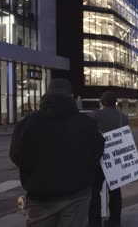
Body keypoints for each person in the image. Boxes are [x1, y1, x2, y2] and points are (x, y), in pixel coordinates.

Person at [9, 78, 105, 227]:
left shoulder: (26, 124)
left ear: (46, 95)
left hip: (39, 196)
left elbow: (16, 155)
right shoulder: (86, 124)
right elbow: (97, 152)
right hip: (76, 193)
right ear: (71, 96)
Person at [88, 91, 129, 227]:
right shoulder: (123, 118)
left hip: (98, 158)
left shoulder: (94, 115)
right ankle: (115, 222)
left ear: (101, 102)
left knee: (95, 191)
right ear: (115, 103)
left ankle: (95, 221)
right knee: (115, 191)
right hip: (115, 157)